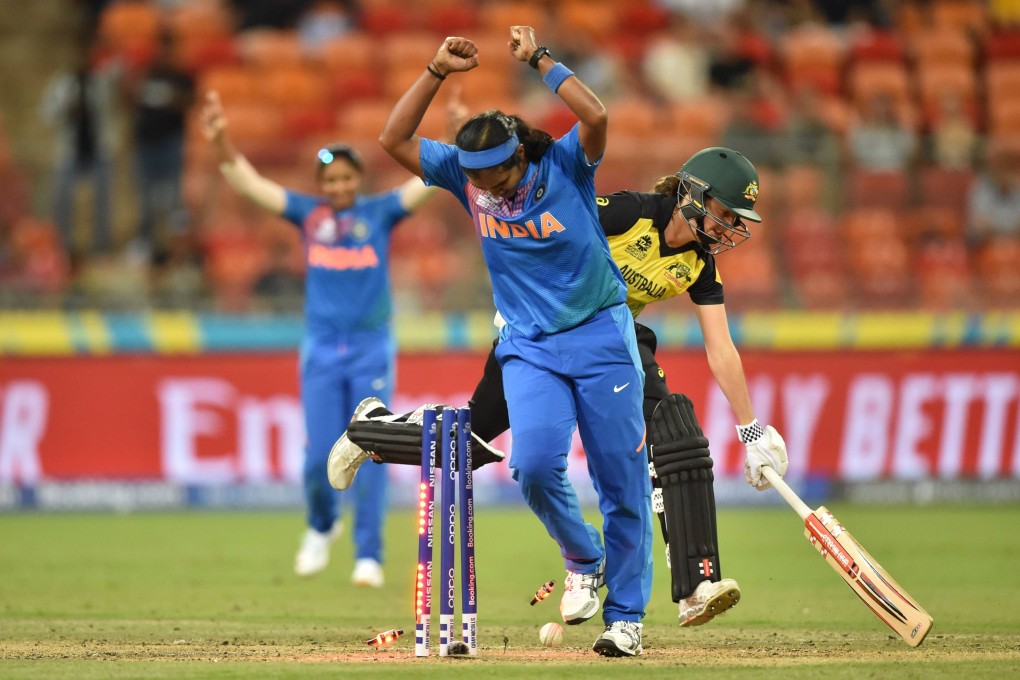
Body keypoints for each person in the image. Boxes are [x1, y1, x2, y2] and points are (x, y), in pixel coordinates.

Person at [329, 146, 790, 630]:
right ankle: (372, 429)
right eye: (724, 213)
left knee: (673, 429)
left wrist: (752, 430)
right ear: (693, 194)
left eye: (736, 220)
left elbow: (721, 349)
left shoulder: (699, 265)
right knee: (471, 445)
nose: (729, 228)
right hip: (543, 330)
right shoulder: (631, 213)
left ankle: (696, 584)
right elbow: (545, 224)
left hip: (616, 343)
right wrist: (519, 292)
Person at [377, 27, 652, 657]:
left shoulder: (564, 163)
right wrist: (435, 70)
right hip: (527, 345)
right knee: (530, 466)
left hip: (601, 336)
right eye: (475, 177)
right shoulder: (466, 174)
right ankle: (585, 556)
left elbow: (597, 113)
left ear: (518, 156)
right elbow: (392, 140)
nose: (487, 187)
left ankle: (626, 617)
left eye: (496, 174)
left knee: (619, 477)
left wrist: (540, 60)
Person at [199, 89, 439, 587]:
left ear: (359, 178)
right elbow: (249, 184)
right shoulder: (308, 215)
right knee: (316, 455)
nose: (339, 186)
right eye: (330, 179)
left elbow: (427, 182)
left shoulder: (380, 213)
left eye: (347, 177)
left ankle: (368, 554)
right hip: (323, 351)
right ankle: (321, 525)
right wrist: (221, 141)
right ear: (322, 183)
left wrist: (457, 141)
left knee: (374, 449)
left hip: (372, 347)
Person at [40, 34, 119, 260]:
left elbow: (120, 77)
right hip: (70, 152)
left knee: (102, 203)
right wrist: (67, 110)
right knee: (62, 201)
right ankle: (63, 247)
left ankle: (100, 247)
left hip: (98, 151)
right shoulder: (62, 85)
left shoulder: (101, 83)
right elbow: (46, 115)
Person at [125, 29, 195, 262]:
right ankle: (145, 243)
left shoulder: (181, 77)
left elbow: (189, 103)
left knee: (174, 200)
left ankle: (178, 251)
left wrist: (170, 98)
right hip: (146, 144)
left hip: (170, 144)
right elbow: (129, 102)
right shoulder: (146, 75)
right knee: (146, 199)